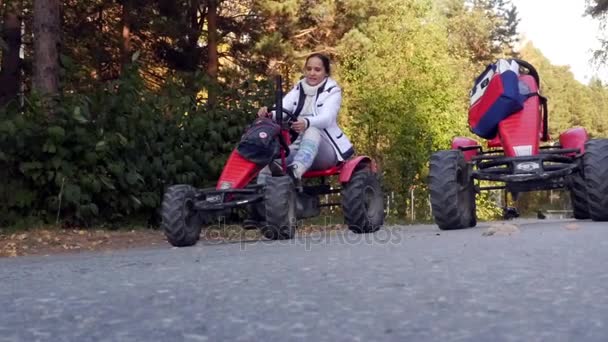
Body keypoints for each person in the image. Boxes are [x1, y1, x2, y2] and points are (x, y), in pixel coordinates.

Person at [256, 53, 354, 185]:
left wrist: (307, 122)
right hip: (297, 146)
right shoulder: (299, 88)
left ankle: (296, 170)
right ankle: (260, 197)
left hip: (325, 150)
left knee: (312, 130)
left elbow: (327, 118)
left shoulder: (332, 91)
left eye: (317, 70)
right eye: (309, 69)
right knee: (270, 166)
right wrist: (269, 114)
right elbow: (282, 108)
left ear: (326, 73)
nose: (312, 73)